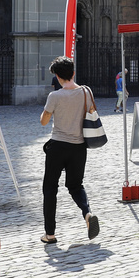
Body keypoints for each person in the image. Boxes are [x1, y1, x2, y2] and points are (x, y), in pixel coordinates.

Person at [39, 56, 100, 243]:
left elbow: (44, 121)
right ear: (73, 73)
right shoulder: (86, 93)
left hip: (58, 145)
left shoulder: (55, 96)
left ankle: (50, 234)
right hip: (79, 147)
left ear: (57, 77)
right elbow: (92, 112)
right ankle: (87, 213)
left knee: (50, 188)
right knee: (75, 185)